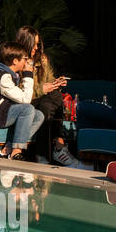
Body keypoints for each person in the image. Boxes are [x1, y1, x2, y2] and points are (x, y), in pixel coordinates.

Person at [14, 26, 82, 166]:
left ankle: (43, 154)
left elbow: (48, 79)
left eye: (38, 43)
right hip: (26, 101)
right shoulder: (17, 61)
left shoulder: (42, 59)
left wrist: (55, 83)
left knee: (51, 100)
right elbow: (19, 92)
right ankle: (58, 147)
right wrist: (42, 89)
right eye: (34, 43)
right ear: (25, 42)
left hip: (44, 100)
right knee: (49, 102)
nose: (37, 47)